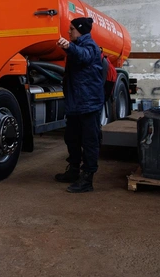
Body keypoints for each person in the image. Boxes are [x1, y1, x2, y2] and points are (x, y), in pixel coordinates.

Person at [54, 17, 105, 193]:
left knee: (90, 141)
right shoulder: (78, 46)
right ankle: (74, 171)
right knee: (72, 138)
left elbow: (84, 56)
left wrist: (69, 46)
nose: (69, 32)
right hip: (76, 103)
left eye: (72, 29)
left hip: (89, 104)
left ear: (81, 30)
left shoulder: (90, 46)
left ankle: (87, 179)